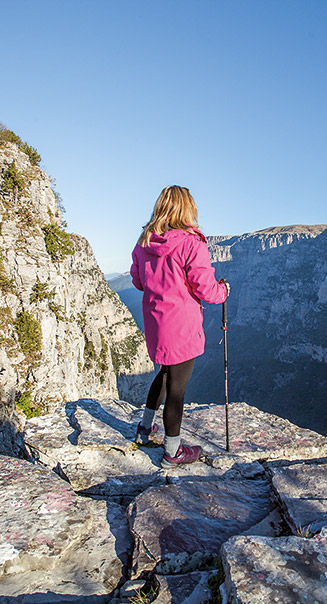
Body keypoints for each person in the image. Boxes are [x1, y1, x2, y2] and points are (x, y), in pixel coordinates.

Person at [130, 185, 229, 468]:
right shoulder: (191, 243)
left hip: (156, 322)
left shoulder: (144, 242)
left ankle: (145, 429)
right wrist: (223, 291)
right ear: (187, 208)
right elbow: (205, 288)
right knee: (177, 389)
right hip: (182, 325)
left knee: (163, 374)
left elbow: (138, 281)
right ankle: (173, 452)